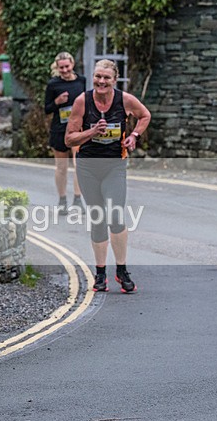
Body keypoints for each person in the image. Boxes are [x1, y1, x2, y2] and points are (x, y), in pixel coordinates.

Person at [65, 59, 150, 294]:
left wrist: (133, 135)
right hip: (88, 166)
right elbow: (69, 139)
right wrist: (92, 132)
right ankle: (100, 273)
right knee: (98, 217)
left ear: (114, 80)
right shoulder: (83, 101)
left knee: (116, 214)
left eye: (106, 78)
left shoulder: (125, 100)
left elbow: (145, 115)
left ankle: (121, 270)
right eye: (98, 77)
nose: (101, 81)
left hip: (114, 164)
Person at [44, 52, 86, 215]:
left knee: (79, 165)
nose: (64, 70)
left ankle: (77, 198)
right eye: (61, 67)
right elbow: (47, 109)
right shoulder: (53, 84)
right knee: (61, 168)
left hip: (77, 129)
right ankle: (62, 200)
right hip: (60, 130)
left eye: (67, 66)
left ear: (72, 64)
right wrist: (57, 102)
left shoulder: (81, 81)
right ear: (57, 67)